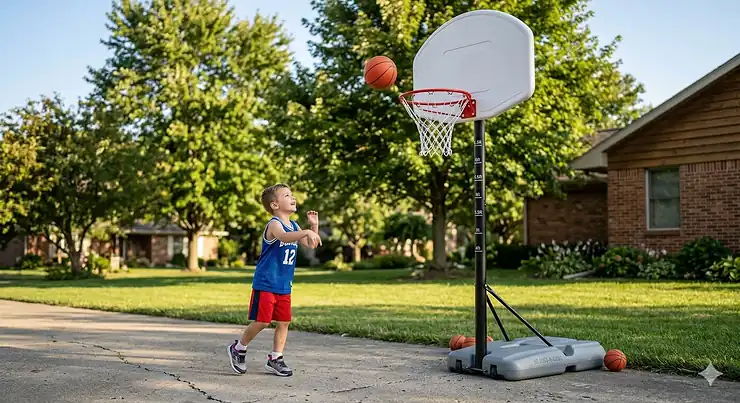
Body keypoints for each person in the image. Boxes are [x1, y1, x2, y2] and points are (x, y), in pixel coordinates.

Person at [227, 183, 321, 377]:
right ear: (275, 205)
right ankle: (239, 348)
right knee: (262, 321)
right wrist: (305, 231)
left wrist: (313, 226)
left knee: (284, 321)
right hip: (266, 282)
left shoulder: (295, 225)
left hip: (284, 284)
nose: (293, 197)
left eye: (292, 194)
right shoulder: (274, 224)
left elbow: (312, 245)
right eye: (287, 195)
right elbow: (285, 238)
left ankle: (275, 358)